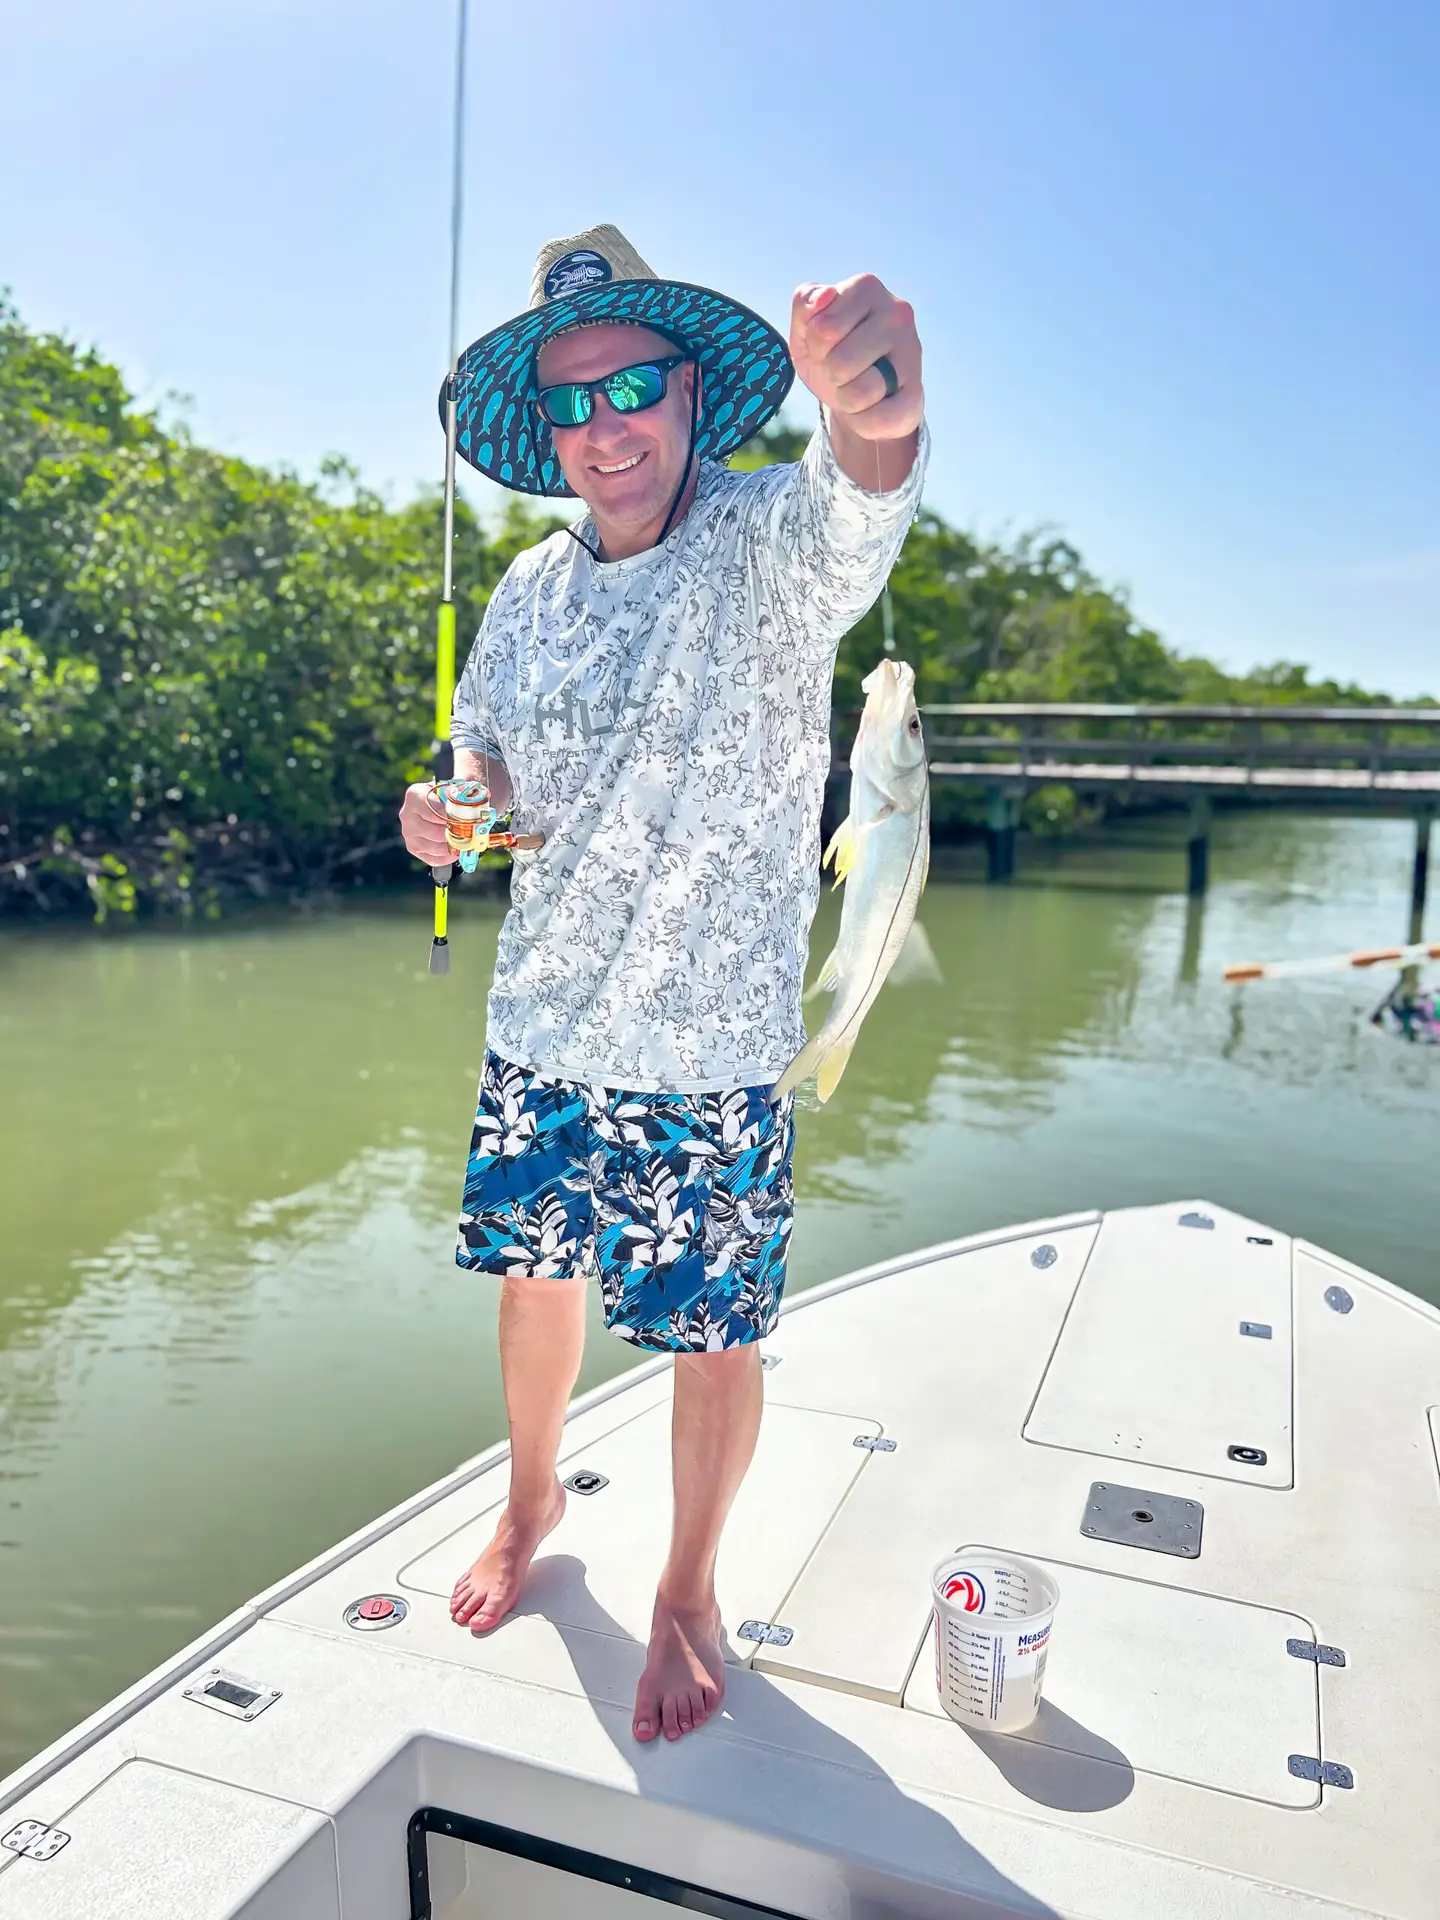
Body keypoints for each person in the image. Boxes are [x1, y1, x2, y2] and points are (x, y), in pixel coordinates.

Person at [398, 224, 927, 1745]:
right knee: (533, 1287)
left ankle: (688, 1586)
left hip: (712, 1052)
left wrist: (876, 406)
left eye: (634, 382)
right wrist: (439, 817)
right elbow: (483, 777)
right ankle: (529, 1496)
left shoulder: (769, 545)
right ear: (544, 429)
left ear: (692, 390)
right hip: (543, 1025)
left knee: (714, 1335)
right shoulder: (523, 592)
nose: (605, 423)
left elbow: (866, 489)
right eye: (572, 401)